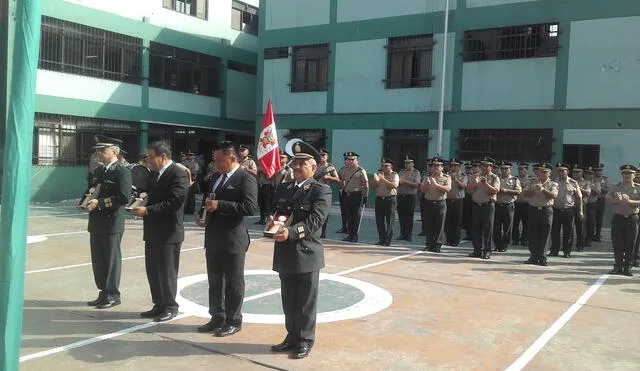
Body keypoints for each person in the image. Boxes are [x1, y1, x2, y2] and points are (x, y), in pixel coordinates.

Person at [269, 141, 332, 359]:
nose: (295, 168)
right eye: (294, 163)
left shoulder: (321, 190)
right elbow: (280, 213)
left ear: (313, 168)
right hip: (285, 251)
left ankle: (305, 339)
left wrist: (292, 232)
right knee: (289, 299)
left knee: (305, 301)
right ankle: (292, 336)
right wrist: (273, 222)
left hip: (306, 252)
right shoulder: (285, 187)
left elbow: (316, 221)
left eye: (301, 164)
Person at [195, 141, 258, 336]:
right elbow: (208, 200)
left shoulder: (245, 178)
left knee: (233, 282)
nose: (215, 164)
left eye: (219, 160)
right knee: (215, 281)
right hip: (213, 236)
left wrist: (221, 205)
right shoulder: (215, 177)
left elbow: (250, 208)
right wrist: (201, 215)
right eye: (214, 160)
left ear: (231, 159)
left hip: (233, 239)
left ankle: (233, 320)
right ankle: (217, 316)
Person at [132, 141, 189, 322]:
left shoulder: (178, 173)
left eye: (151, 156)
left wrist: (148, 210)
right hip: (152, 231)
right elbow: (147, 195)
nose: (148, 160)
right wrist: (138, 202)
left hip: (169, 232)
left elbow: (175, 202)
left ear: (163, 157)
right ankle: (158, 304)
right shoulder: (154, 174)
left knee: (167, 271)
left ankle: (170, 306)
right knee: (153, 270)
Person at [85, 138, 132, 309]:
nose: (99, 153)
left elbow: (124, 197)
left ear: (114, 151)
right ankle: (103, 292)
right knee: (98, 259)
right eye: (98, 150)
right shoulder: (98, 171)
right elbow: (91, 190)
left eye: (103, 150)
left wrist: (100, 203)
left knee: (111, 259)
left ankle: (113, 294)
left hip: (112, 222)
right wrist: (85, 201)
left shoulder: (122, 172)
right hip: (96, 221)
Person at [605, 164, 640, 276]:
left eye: (630, 173)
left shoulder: (638, 187)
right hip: (618, 218)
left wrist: (630, 202)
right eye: (625, 173)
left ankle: (627, 267)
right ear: (622, 175)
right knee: (617, 243)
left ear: (634, 175)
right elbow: (607, 198)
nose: (627, 175)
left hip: (632, 218)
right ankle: (618, 266)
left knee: (631, 243)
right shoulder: (616, 187)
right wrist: (615, 200)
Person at [523, 163, 558, 266]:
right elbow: (525, 194)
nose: (542, 174)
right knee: (532, 234)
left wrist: (543, 190)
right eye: (541, 171)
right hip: (533, 210)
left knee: (545, 235)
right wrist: (534, 190)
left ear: (549, 173)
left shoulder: (553, 184)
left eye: (545, 172)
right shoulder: (532, 182)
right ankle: (533, 256)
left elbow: (553, 196)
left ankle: (542, 257)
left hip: (546, 211)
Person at [467, 157, 500, 259]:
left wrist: (485, 183)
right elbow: (468, 189)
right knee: (476, 229)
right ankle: (477, 250)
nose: (484, 168)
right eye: (483, 166)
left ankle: (487, 250)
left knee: (487, 229)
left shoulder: (494, 178)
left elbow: (495, 191)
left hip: (488, 205)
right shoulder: (476, 176)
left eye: (487, 166)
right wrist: (476, 183)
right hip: (476, 205)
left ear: (491, 167)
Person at [549, 163, 582, 258]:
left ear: (567, 172)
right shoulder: (553, 182)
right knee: (555, 231)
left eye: (562, 170)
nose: (560, 172)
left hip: (568, 210)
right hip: (556, 209)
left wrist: (580, 211)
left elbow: (579, 197)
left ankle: (567, 251)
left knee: (568, 232)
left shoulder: (573, 183)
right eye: (558, 171)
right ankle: (554, 250)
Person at [420, 157, 451, 253]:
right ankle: (429, 244)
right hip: (429, 202)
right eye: (434, 165)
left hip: (440, 203)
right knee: (429, 225)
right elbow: (422, 189)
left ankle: (437, 245)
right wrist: (427, 186)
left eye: (438, 166)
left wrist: (436, 185)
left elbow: (447, 189)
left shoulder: (446, 177)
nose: (435, 167)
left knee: (439, 225)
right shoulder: (427, 177)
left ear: (442, 167)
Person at [338, 152, 369, 242]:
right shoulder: (345, 170)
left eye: (352, 159)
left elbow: (366, 184)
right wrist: (343, 187)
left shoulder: (360, 171)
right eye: (348, 159)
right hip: (347, 195)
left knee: (356, 216)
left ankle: (355, 235)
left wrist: (365, 196)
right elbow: (340, 179)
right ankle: (350, 235)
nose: (350, 161)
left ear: (356, 160)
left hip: (357, 195)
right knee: (348, 216)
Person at [493, 162, 521, 252]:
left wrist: (506, 191)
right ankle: (497, 245)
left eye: (506, 169)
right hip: (497, 205)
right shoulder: (497, 179)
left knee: (507, 227)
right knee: (496, 227)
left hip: (508, 205)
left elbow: (518, 191)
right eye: (502, 169)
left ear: (510, 170)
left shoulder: (515, 180)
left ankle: (504, 245)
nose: (504, 171)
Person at [372, 158, 399, 246]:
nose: (383, 167)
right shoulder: (379, 175)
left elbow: (394, 185)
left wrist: (383, 179)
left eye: (385, 166)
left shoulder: (394, 175)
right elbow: (372, 186)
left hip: (390, 199)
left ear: (390, 167)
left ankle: (388, 240)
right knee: (379, 220)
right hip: (379, 199)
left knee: (390, 220)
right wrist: (376, 180)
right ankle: (381, 239)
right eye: (382, 166)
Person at [314, 148, 340, 238]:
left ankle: (323, 233)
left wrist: (328, 178)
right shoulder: (314, 165)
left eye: (323, 155)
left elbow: (337, 179)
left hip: (325, 190)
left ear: (327, 157)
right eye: (320, 155)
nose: (321, 157)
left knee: (324, 212)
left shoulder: (330, 167)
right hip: (314, 190)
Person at [397, 156, 421, 242]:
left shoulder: (416, 172)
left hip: (410, 196)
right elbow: (397, 182)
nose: (407, 165)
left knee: (409, 216)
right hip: (401, 196)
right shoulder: (401, 172)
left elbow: (417, 184)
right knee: (401, 216)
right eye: (406, 163)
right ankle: (402, 233)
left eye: (409, 163)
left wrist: (405, 182)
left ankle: (408, 234)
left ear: (412, 164)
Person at [445, 158, 467, 246]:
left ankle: (456, 240)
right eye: (452, 166)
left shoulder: (463, 175)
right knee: (448, 221)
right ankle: (448, 239)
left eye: (455, 166)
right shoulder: (446, 175)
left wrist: (456, 180)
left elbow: (463, 186)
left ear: (459, 166)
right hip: (448, 200)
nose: (453, 167)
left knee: (457, 221)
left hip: (458, 200)